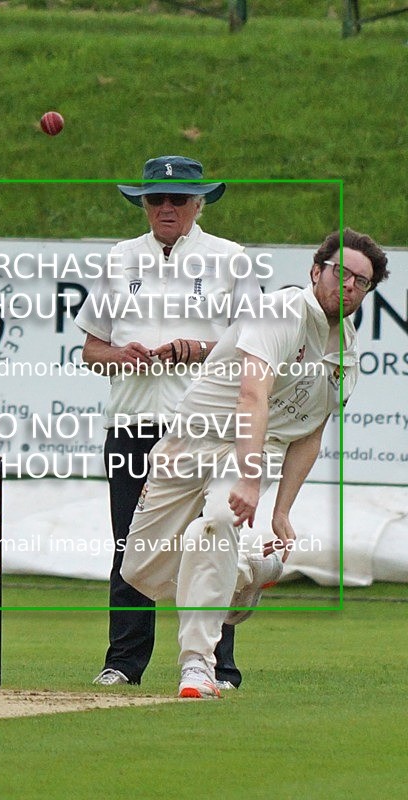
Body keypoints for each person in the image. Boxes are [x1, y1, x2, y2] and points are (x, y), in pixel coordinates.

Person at [121, 228, 389, 698]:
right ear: (316, 271)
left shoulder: (348, 351)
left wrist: (280, 507)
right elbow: (252, 395)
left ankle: (197, 667)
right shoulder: (279, 310)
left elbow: (310, 431)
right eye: (340, 272)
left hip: (250, 449)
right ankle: (249, 571)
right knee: (141, 571)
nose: (348, 285)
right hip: (193, 441)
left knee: (218, 522)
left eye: (361, 281)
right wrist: (249, 478)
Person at [75, 155, 260, 688]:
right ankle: (123, 662)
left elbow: (254, 346)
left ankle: (216, 664)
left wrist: (196, 348)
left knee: (211, 539)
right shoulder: (119, 259)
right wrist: (121, 356)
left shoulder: (230, 260)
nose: (166, 208)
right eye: (156, 198)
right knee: (130, 545)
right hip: (132, 423)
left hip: (203, 428)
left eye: (178, 199)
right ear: (143, 203)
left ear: (199, 203)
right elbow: (90, 350)